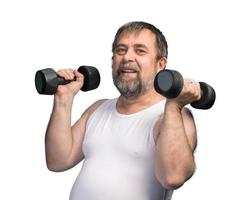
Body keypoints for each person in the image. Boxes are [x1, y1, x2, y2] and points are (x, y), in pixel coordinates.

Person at [44, 21, 201, 200]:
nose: (127, 57)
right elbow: (58, 161)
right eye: (121, 50)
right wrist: (63, 99)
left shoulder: (171, 116)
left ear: (161, 64)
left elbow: (173, 177)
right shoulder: (98, 109)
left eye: (140, 50)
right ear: (112, 62)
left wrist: (173, 105)